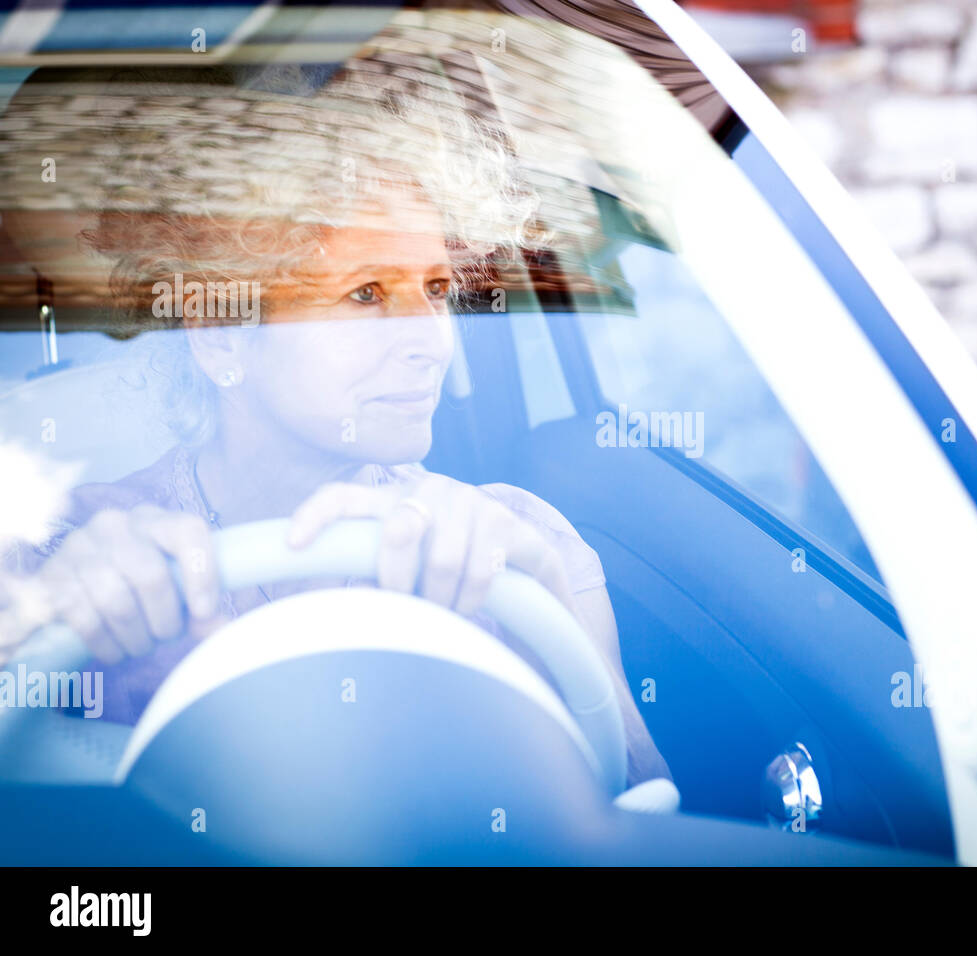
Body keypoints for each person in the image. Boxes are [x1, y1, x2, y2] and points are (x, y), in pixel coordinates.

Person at [0, 37, 670, 786]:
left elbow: (638, 811)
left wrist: (539, 593)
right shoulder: (67, 553)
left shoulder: (521, 541)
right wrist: (34, 622)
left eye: (438, 290)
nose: (433, 345)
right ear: (222, 335)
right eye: (365, 294)